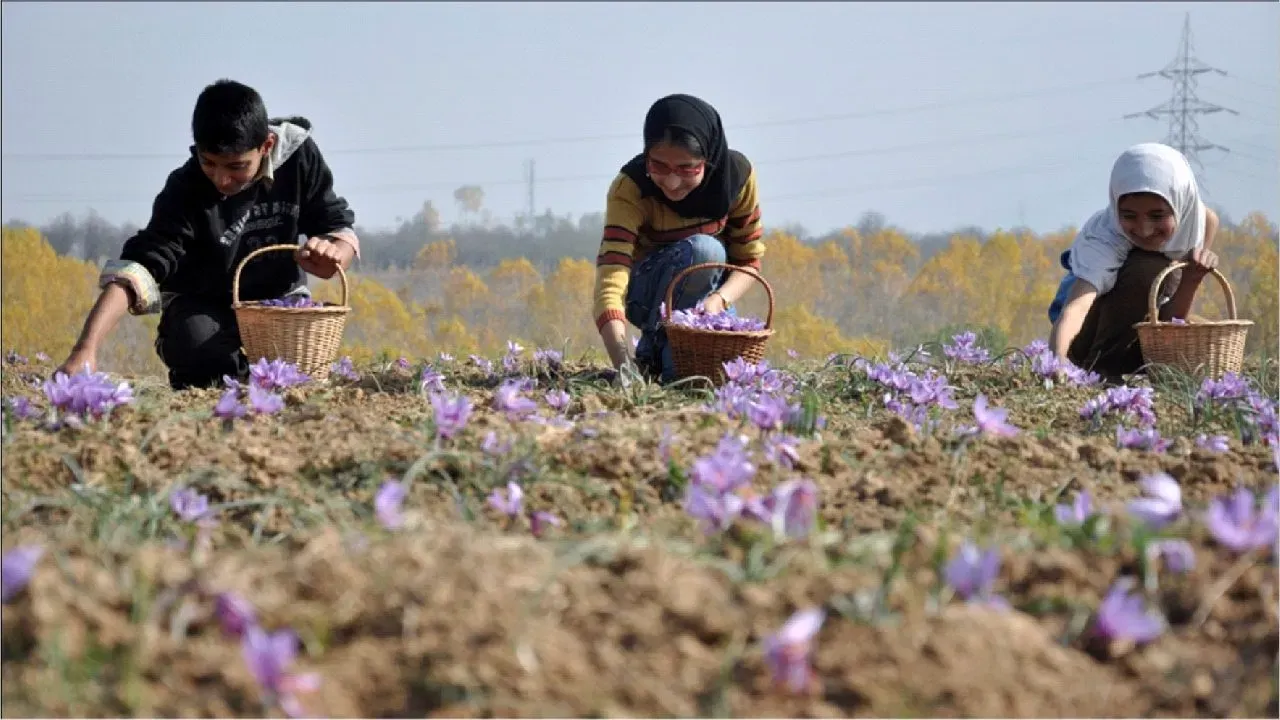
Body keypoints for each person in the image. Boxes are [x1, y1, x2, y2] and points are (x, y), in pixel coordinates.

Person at [57, 79, 361, 390]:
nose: (222, 179)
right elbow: (140, 267)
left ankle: (261, 379)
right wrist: (85, 349)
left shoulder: (299, 157)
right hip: (205, 307)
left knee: (294, 370)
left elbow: (335, 224)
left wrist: (333, 254)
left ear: (266, 146)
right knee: (194, 346)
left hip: (277, 304)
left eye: (236, 166)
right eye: (209, 163)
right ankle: (234, 380)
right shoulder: (185, 190)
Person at [592, 93, 766, 383]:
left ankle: (658, 354)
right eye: (658, 166)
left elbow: (749, 260)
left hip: (707, 296)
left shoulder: (736, 178)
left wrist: (718, 302)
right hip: (645, 294)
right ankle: (659, 346)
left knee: (714, 376)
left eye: (687, 169)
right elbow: (611, 280)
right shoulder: (631, 189)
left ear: (708, 159)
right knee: (705, 250)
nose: (672, 182)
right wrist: (624, 365)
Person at [1047, 142, 1220, 380]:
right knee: (1148, 267)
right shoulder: (1104, 238)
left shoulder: (1200, 222)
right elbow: (1076, 309)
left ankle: (1136, 367)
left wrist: (1192, 278)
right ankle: (1105, 370)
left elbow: (1170, 320)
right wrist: (1059, 359)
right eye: (1129, 215)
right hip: (1085, 336)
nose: (1144, 229)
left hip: (1143, 325)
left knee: (1189, 314)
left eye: (1157, 215)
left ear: (1180, 203)